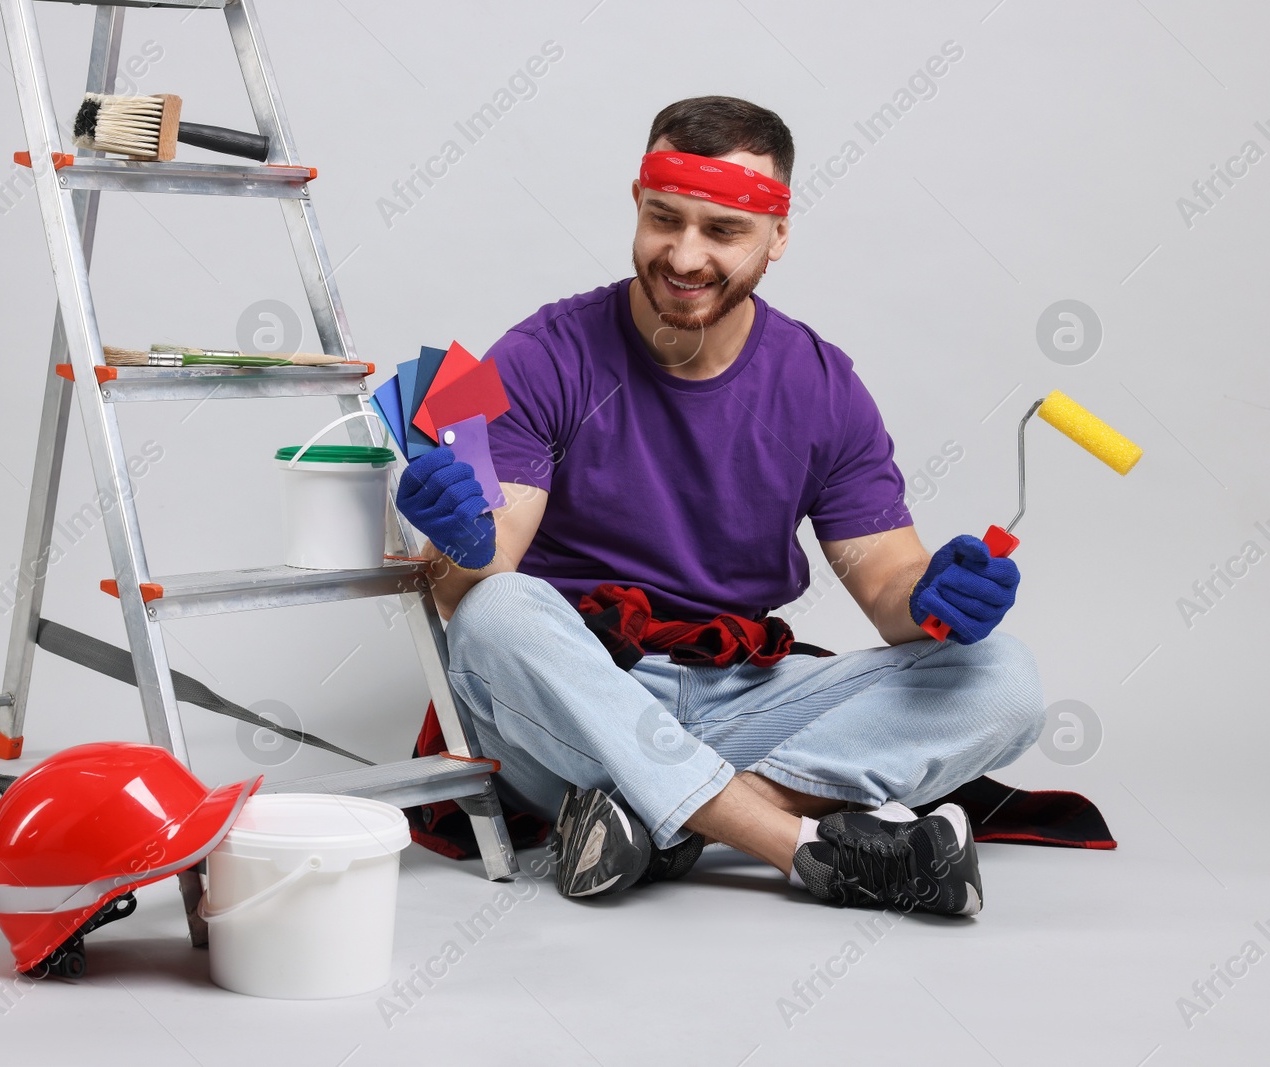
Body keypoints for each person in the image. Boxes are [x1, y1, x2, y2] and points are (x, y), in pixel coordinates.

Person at [394, 96, 1044, 917]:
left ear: (777, 237)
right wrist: (456, 537)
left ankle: (663, 816)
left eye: (723, 231)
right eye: (665, 219)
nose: (685, 255)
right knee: (499, 609)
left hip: (739, 696)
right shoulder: (538, 355)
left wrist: (935, 597)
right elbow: (474, 585)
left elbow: (889, 589)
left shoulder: (822, 384)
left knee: (1004, 677)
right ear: (637, 203)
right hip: (573, 705)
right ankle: (798, 847)